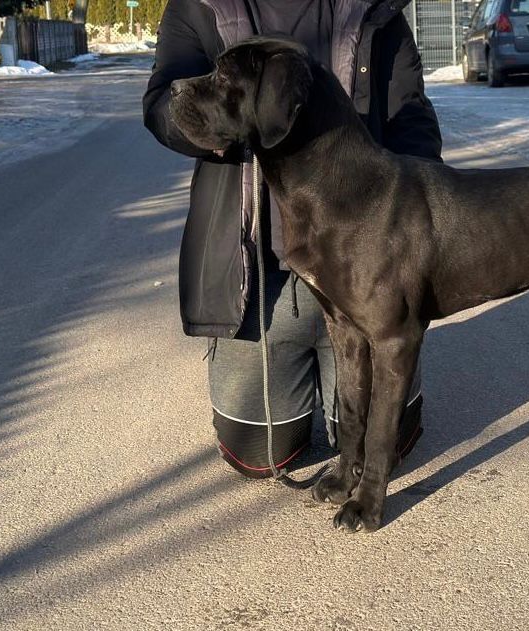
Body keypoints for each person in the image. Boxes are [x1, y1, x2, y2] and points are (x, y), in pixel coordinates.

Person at [142, 0, 442, 478]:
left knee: (379, 445)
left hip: (362, 264)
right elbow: (163, 100)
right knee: (259, 453)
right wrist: (219, 121)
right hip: (260, 273)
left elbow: (411, 116)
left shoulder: (373, 10)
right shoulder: (199, 7)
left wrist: (413, 233)